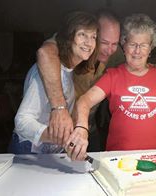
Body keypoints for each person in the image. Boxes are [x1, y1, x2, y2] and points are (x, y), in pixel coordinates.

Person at [72, 14, 156, 155]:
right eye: (132, 44)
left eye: (144, 45)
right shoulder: (112, 75)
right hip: (118, 157)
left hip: (155, 156)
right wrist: (82, 128)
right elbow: (84, 101)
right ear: (124, 45)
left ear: (150, 48)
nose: (137, 51)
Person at [9, 12, 99, 157]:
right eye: (82, 34)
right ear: (69, 38)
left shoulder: (68, 70)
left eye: (93, 36)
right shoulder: (48, 71)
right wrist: (57, 136)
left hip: (50, 153)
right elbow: (21, 122)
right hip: (28, 152)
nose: (89, 42)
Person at [36, 9, 121, 152]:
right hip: (62, 128)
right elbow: (45, 53)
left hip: (90, 126)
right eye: (104, 42)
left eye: (115, 44)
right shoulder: (73, 45)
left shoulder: (115, 54)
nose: (109, 50)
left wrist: (152, 68)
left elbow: (133, 67)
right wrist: (59, 109)